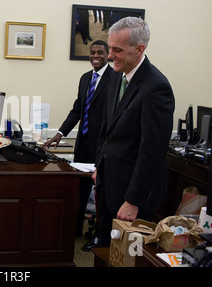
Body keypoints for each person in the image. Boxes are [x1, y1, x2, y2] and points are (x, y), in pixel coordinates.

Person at [93, 17, 175, 247]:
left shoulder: (156, 87)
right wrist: (100, 167)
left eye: (117, 50)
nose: (110, 56)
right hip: (108, 183)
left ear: (139, 49)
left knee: (128, 258)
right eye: (110, 48)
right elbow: (106, 130)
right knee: (104, 250)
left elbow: (152, 151)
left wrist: (133, 200)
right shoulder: (115, 76)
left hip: (133, 197)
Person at [44, 40, 117, 249]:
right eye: (92, 52)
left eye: (100, 53)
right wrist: (60, 133)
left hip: (103, 146)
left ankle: (100, 237)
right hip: (83, 144)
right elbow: (78, 110)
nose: (95, 56)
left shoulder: (115, 78)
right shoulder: (86, 78)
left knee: (101, 192)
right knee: (80, 188)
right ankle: (75, 229)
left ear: (107, 55)